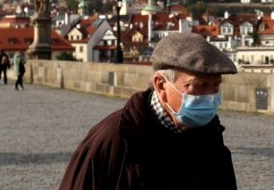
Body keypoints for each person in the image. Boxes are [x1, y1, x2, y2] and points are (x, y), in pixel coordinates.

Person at [59, 32, 239, 189]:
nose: (210, 96)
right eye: (198, 86)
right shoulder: (114, 139)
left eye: (216, 86)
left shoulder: (210, 136)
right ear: (161, 85)